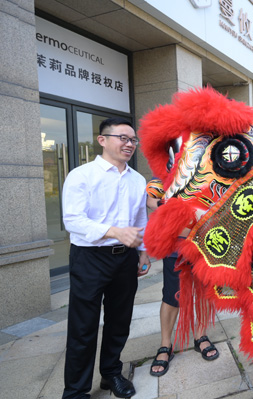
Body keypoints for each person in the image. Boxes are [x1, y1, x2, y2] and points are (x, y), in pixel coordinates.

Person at [62, 118, 150, 399]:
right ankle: (76, 391)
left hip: (125, 259)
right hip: (89, 258)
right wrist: (113, 232)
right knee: (83, 326)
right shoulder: (81, 175)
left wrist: (143, 251)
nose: (129, 144)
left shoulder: (137, 180)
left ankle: (111, 374)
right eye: (123, 138)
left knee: (119, 321)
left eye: (133, 140)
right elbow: (72, 220)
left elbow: (140, 219)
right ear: (102, 140)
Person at [146, 178, 219, 378]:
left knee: (204, 293)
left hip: (205, 241)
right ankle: (165, 345)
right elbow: (151, 199)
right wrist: (169, 205)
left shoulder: (207, 171)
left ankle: (200, 336)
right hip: (175, 245)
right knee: (172, 296)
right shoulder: (167, 173)